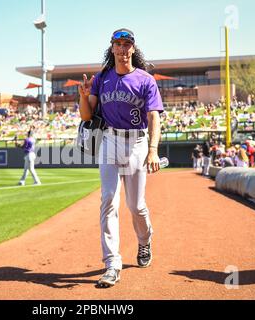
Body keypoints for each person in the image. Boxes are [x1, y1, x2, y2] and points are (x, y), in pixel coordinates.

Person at [78, 28, 163, 287]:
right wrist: (83, 97)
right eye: (118, 44)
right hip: (110, 141)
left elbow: (154, 117)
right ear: (112, 48)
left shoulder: (145, 79)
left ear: (133, 49)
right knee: (108, 201)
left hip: (137, 142)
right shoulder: (102, 77)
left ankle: (144, 241)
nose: (123, 48)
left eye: (127, 44)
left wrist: (152, 149)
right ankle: (112, 263)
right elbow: (86, 116)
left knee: (136, 206)